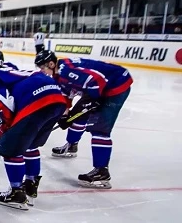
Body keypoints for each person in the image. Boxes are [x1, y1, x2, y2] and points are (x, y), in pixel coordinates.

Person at [0, 49, 67, 210]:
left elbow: (5, 103)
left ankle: (16, 193)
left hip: (35, 101)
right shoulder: (10, 68)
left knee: (10, 149)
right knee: (30, 146)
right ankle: (30, 185)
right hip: (56, 98)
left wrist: (5, 129)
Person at [35, 50, 133, 189]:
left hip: (115, 85)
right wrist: (64, 117)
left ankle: (102, 172)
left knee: (99, 129)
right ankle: (71, 146)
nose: (42, 71)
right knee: (78, 116)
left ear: (51, 63)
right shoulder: (58, 76)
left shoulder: (66, 70)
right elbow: (66, 98)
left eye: (42, 67)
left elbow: (96, 79)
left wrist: (95, 100)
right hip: (99, 87)